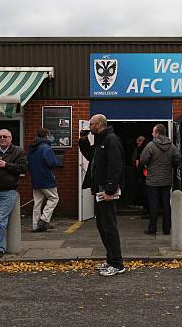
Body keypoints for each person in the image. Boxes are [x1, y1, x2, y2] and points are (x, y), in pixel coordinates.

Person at [78, 114, 126, 276]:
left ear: (98, 125)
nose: (89, 127)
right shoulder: (100, 141)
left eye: (91, 124)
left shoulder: (111, 140)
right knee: (102, 226)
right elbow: (92, 157)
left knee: (109, 226)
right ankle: (110, 258)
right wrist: (83, 141)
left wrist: (110, 190)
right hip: (99, 189)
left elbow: (116, 166)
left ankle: (117, 263)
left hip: (106, 190)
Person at [0, 129, 27, 261]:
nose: (2, 138)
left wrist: (6, 165)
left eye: (5, 136)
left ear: (10, 138)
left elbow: (23, 168)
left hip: (8, 191)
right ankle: (0, 248)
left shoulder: (18, 151)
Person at [140, 124, 180, 235]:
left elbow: (143, 160)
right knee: (166, 205)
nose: (152, 134)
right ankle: (167, 229)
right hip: (166, 180)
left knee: (153, 206)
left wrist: (149, 165)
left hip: (153, 181)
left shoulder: (151, 145)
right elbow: (178, 159)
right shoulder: (171, 146)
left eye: (153, 132)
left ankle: (152, 229)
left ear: (157, 133)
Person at [27, 128, 60, 232]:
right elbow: (52, 162)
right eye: (49, 134)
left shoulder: (32, 148)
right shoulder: (46, 148)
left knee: (37, 202)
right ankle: (43, 220)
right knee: (54, 198)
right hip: (46, 178)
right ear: (46, 135)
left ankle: (35, 225)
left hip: (35, 179)